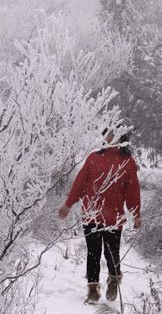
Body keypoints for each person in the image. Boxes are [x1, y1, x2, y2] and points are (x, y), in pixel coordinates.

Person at [57, 127, 142, 304]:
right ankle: (93, 290)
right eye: (106, 133)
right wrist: (68, 204)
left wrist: (136, 214)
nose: (108, 136)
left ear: (121, 136)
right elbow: (80, 184)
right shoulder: (93, 158)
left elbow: (132, 191)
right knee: (93, 254)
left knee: (111, 254)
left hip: (114, 218)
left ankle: (113, 280)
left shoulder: (127, 162)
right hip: (91, 215)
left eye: (112, 133)